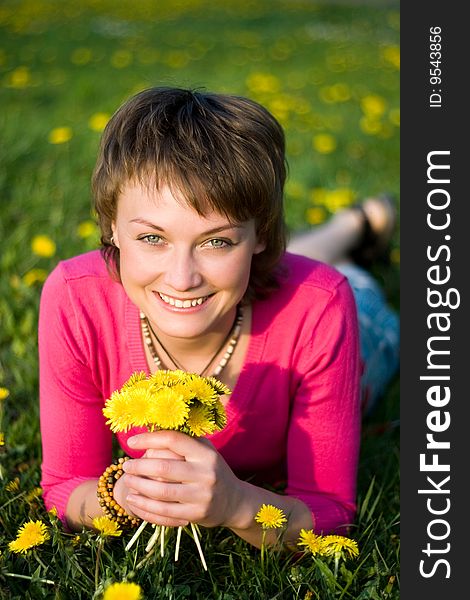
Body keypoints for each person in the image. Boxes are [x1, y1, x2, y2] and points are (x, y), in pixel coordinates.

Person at [39, 87, 399, 549]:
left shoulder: (323, 305)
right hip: (252, 281)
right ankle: (350, 224)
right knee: (235, 279)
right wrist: (121, 499)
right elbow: (65, 486)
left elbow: (332, 512)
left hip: (364, 326)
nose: (182, 277)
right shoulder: (74, 296)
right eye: (152, 238)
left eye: (218, 241)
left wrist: (236, 506)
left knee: (340, 279)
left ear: (262, 234)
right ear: (111, 224)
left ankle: (357, 224)